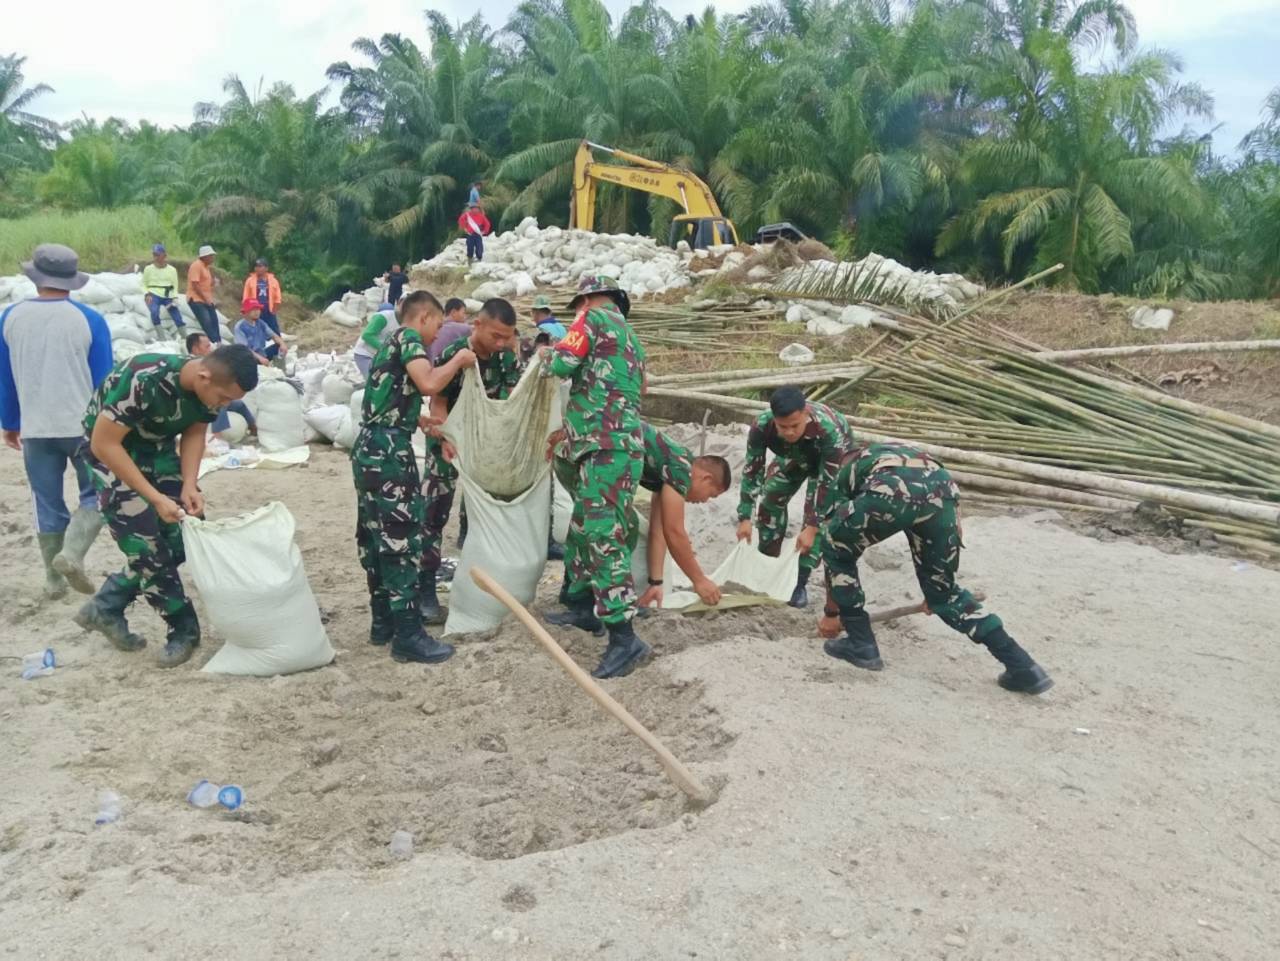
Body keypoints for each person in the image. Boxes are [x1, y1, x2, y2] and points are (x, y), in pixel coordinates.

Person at [73, 344, 260, 667]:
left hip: (156, 450)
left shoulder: (210, 390)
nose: (225, 406)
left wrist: (189, 483)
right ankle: (183, 628)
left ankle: (105, 606)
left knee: (186, 534)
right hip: (109, 454)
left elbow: (194, 432)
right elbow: (104, 443)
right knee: (145, 547)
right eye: (224, 398)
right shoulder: (143, 379)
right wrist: (155, 498)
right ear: (203, 377)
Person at [817, 442, 1054, 695]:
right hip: (943, 493)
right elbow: (952, 512)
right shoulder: (900, 453)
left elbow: (835, 537)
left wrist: (832, 613)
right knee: (947, 594)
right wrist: (937, 589)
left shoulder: (844, 471)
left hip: (890, 493)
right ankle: (1023, 667)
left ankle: (861, 644)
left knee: (835, 550)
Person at [351, 290, 476, 664]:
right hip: (389, 455)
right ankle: (408, 634)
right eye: (437, 326)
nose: (436, 335)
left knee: (375, 534)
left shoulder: (389, 345)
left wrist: (419, 420)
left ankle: (383, 623)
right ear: (423, 318)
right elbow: (429, 384)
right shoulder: (408, 338)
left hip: (369, 448)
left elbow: (388, 399)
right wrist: (459, 362)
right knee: (401, 539)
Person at [539, 276, 648, 680]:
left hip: (606, 447)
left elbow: (564, 363)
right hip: (615, 447)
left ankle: (625, 637)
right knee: (584, 527)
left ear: (587, 299)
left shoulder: (591, 319)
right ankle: (583, 607)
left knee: (601, 536)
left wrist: (542, 354)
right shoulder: (633, 339)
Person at [0, 244, 113, 599]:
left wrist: (10, 421)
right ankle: (73, 554)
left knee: (46, 502)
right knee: (99, 493)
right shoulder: (90, 320)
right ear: (71, 282)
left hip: (36, 428)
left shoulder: (9, 318)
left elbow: (6, 377)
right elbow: (104, 381)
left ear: (35, 278)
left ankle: (54, 580)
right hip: (84, 429)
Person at [552, 422, 732, 617]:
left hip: (586, 454)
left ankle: (575, 596)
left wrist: (656, 583)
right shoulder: (681, 470)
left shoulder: (670, 468)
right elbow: (675, 532)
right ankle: (590, 603)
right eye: (711, 495)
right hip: (587, 453)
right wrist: (700, 580)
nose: (704, 501)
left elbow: (660, 531)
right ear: (706, 479)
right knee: (614, 526)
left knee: (598, 523)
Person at [418, 298, 522, 623]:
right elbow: (438, 404)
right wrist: (448, 438)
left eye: (507, 336)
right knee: (434, 514)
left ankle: (483, 585)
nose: (501, 342)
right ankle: (424, 592)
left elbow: (508, 404)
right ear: (477, 324)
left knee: (485, 513)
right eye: (495, 335)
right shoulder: (456, 356)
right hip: (448, 440)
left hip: (485, 445)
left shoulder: (506, 358)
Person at [736, 385, 856, 609]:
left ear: (805, 414)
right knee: (771, 497)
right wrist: (745, 516)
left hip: (829, 460)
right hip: (794, 456)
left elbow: (827, 484)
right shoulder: (761, 427)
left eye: (795, 425)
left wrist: (812, 526)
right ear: (774, 419)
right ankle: (769, 564)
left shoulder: (829, 432)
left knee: (818, 521)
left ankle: (798, 581)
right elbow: (753, 470)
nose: (789, 432)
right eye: (783, 427)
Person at [187, 332, 256, 440]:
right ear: (196, 349)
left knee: (239, 404)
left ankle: (254, 429)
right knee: (220, 404)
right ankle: (218, 437)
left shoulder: (212, 365)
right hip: (200, 401)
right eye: (207, 346)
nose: (210, 349)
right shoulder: (193, 367)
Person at [140, 244, 185, 336]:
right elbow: (143, 284)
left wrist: (175, 297)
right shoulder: (148, 269)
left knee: (176, 315)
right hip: (153, 294)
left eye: (157, 254)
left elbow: (175, 285)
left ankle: (185, 337)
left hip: (168, 295)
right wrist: (146, 294)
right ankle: (161, 336)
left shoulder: (172, 270)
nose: (155, 257)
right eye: (154, 255)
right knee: (154, 312)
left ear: (164, 255)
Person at [234, 298, 287, 366]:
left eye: (258, 309)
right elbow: (244, 349)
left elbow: (274, 336)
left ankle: (279, 369)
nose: (257, 312)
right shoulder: (240, 327)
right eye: (254, 309)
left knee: (278, 347)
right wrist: (260, 359)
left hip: (261, 354)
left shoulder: (261, 323)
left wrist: (282, 344)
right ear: (246, 312)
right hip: (248, 357)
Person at [353, 302, 399, 379]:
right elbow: (367, 335)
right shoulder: (381, 318)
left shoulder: (401, 321)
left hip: (381, 356)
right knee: (372, 380)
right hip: (365, 355)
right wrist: (386, 349)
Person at [186, 245, 220, 342]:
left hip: (206, 300)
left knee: (214, 320)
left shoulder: (206, 267)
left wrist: (213, 283)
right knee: (207, 322)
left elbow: (205, 283)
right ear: (205, 256)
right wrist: (205, 299)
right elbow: (195, 285)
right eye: (211, 256)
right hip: (196, 300)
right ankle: (213, 342)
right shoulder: (196, 265)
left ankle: (218, 342)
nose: (213, 258)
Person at [242, 258, 283, 337]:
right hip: (255, 309)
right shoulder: (250, 280)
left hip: (268, 308)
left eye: (260, 266)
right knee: (257, 329)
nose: (257, 268)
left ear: (266, 268)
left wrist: (274, 309)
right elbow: (245, 297)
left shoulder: (273, 281)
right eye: (256, 266)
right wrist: (246, 310)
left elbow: (278, 297)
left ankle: (278, 346)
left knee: (274, 330)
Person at [428, 298, 472, 363]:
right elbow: (475, 330)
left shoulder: (438, 325)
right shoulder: (456, 327)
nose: (465, 317)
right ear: (453, 312)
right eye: (463, 313)